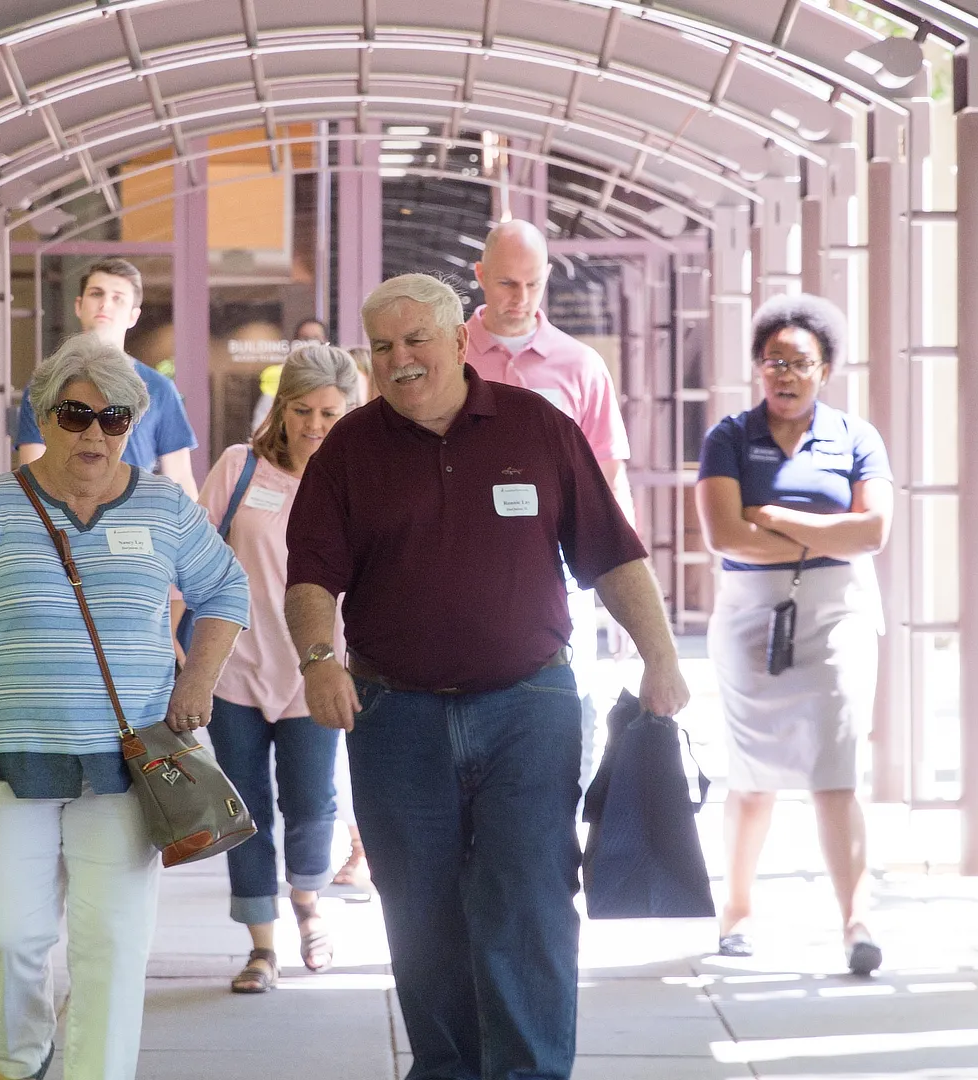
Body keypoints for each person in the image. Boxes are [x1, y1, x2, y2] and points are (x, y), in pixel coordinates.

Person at [285, 274, 691, 1080]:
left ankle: (529, 1071)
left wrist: (663, 657)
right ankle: (446, 1069)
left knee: (530, 899)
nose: (400, 361)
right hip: (395, 715)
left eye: (416, 341)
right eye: (383, 347)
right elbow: (308, 578)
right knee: (421, 910)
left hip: (528, 708)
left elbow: (612, 554)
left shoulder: (538, 428)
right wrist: (318, 659)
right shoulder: (349, 451)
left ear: (460, 342)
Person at [0, 335, 250, 1080]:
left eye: (113, 418)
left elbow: (226, 590)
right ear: (44, 416)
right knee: (7, 938)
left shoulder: (162, 506)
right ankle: (22, 1058)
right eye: (75, 414)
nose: (94, 433)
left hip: (127, 762)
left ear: (132, 425)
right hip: (8, 753)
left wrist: (198, 682)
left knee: (112, 943)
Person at [692, 293, 893, 977]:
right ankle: (737, 913)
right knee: (751, 775)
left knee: (836, 766)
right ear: (757, 368)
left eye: (799, 362)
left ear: (825, 369)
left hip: (837, 616)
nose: (785, 373)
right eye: (773, 361)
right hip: (751, 617)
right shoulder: (726, 436)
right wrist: (823, 537)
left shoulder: (857, 437)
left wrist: (773, 514)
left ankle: (856, 920)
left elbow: (875, 531)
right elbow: (725, 535)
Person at [198, 345, 362, 994]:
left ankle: (309, 905)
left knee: (312, 805)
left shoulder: (360, 481)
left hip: (314, 672)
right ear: (283, 407)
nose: (316, 425)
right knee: (244, 809)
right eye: (303, 410)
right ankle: (261, 945)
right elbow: (195, 554)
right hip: (236, 668)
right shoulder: (240, 468)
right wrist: (191, 651)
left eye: (330, 412)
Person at [464, 218, 636, 796]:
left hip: (558, 569)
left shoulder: (580, 364)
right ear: (481, 276)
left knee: (568, 704)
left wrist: (626, 594)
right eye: (508, 283)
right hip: (462, 566)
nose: (521, 299)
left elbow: (609, 479)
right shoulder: (447, 356)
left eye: (533, 285)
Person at [15, 258, 200, 500]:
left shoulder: (160, 388)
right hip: (62, 517)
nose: (104, 304)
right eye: (96, 294)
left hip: (135, 523)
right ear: (79, 306)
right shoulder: (47, 383)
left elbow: (179, 476)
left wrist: (190, 530)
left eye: (118, 298)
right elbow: (33, 466)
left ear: (133, 316)